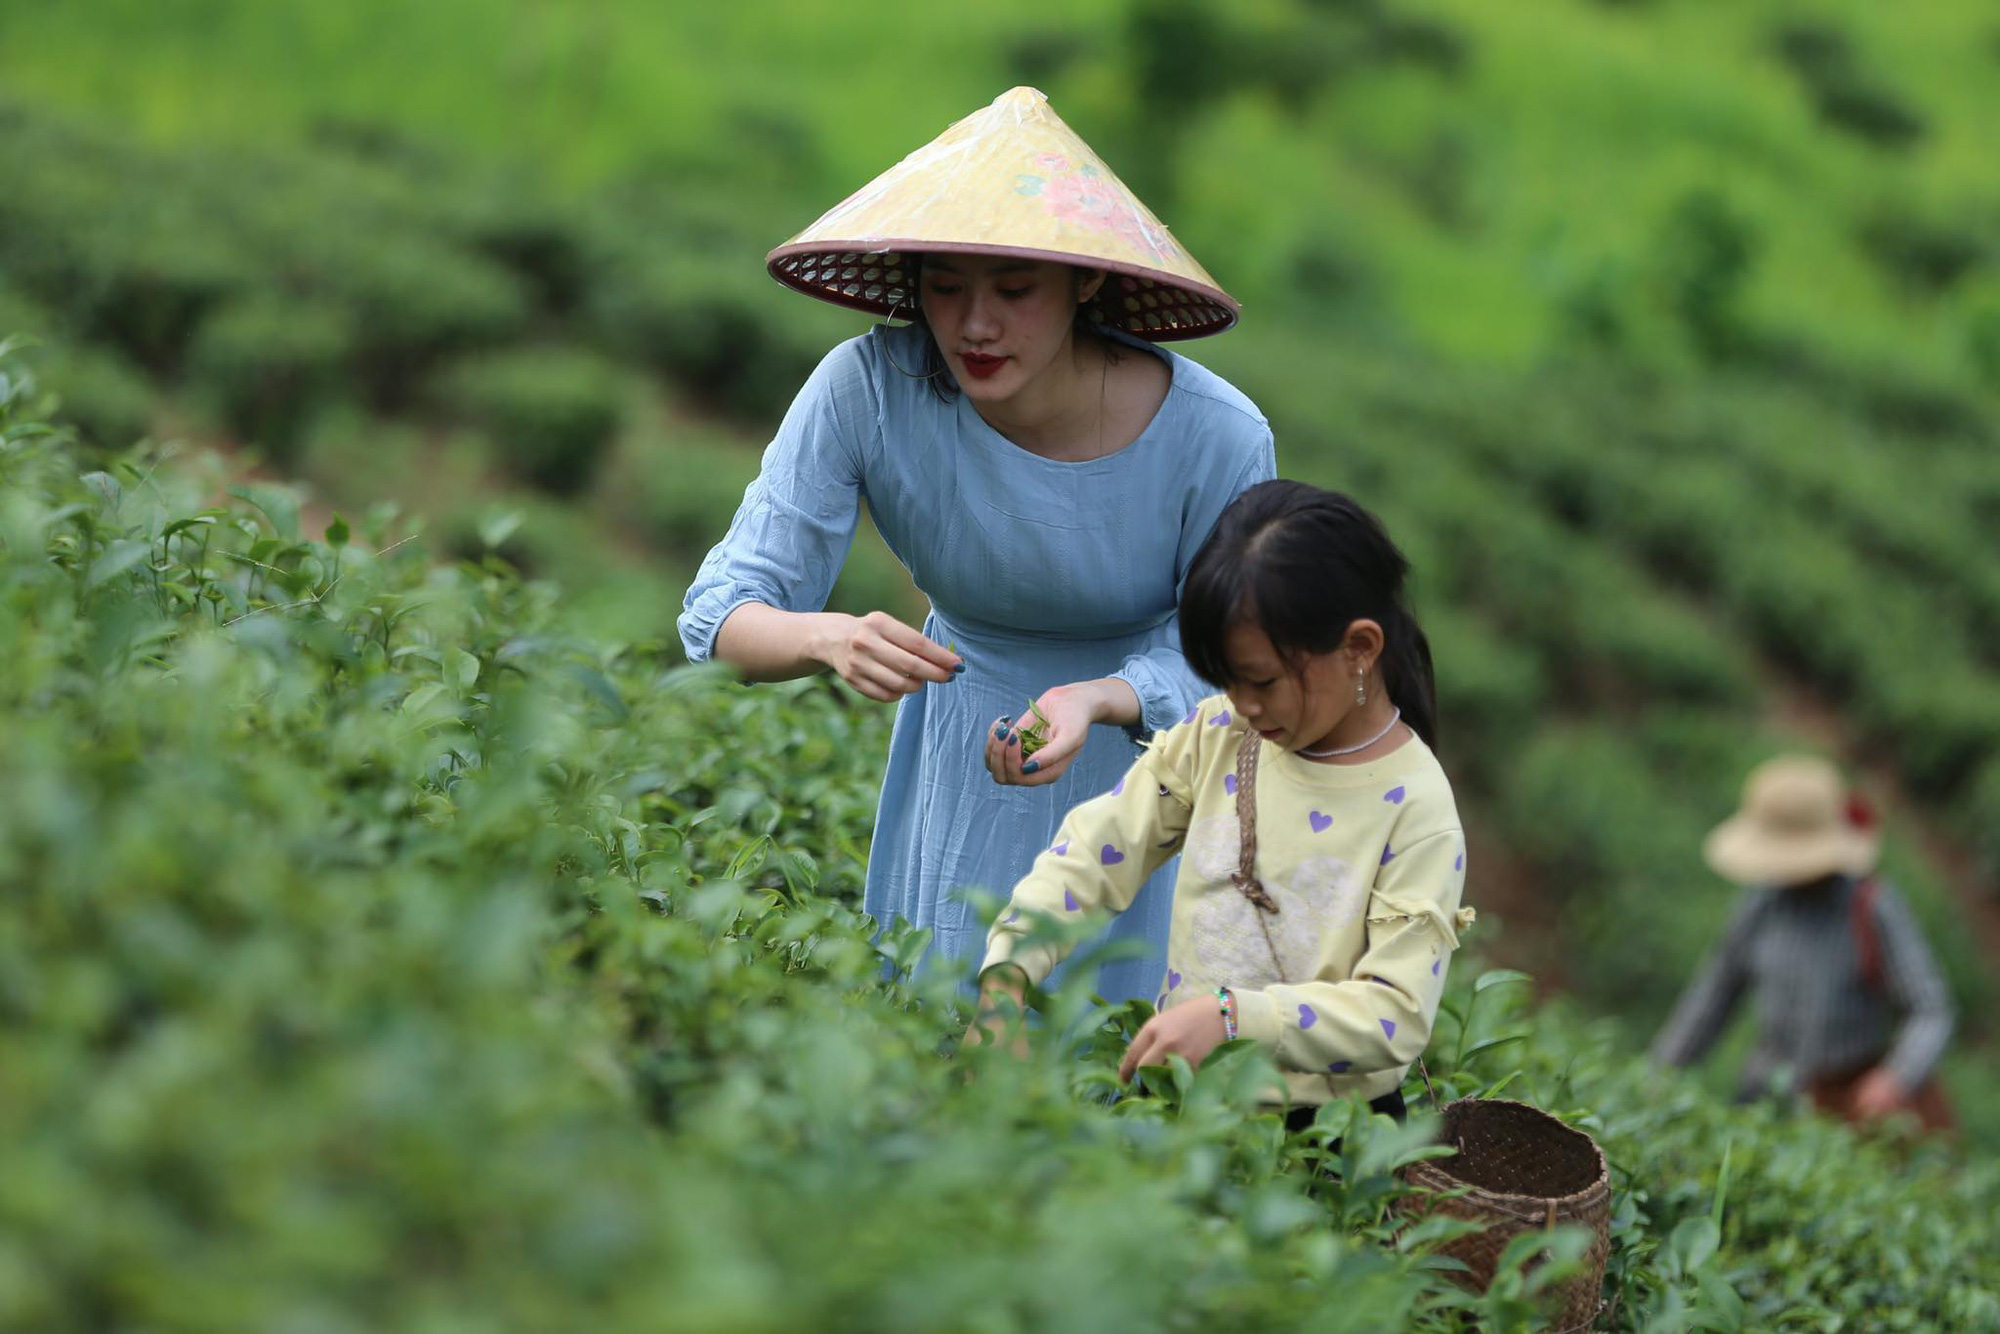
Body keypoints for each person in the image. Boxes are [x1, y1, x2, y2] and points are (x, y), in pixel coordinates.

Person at [679, 88, 1275, 1004]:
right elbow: (719, 615)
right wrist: (825, 637)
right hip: (957, 754)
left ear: (1086, 283)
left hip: (1141, 776)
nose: (974, 326)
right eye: (946, 288)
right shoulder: (867, 390)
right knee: (938, 1031)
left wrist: (1103, 697)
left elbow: (1239, 666)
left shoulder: (1215, 436)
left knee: (1102, 1066)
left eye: (1013, 290)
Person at [966, 482, 1473, 1130]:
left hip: (1323, 1136)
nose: (1245, 704)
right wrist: (1008, 974)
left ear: (1360, 649)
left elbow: (1395, 1016)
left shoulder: (1415, 807)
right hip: (1179, 1097)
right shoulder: (1222, 735)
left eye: (1261, 681)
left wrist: (1236, 1019)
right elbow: (1097, 851)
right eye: (1228, 680)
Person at [1650, 754, 1956, 1132]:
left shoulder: (1871, 906)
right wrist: (1657, 1076)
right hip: (1766, 1097)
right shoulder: (1759, 906)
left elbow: (1930, 1009)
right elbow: (1711, 999)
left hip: (1849, 1106)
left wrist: (1895, 1077)